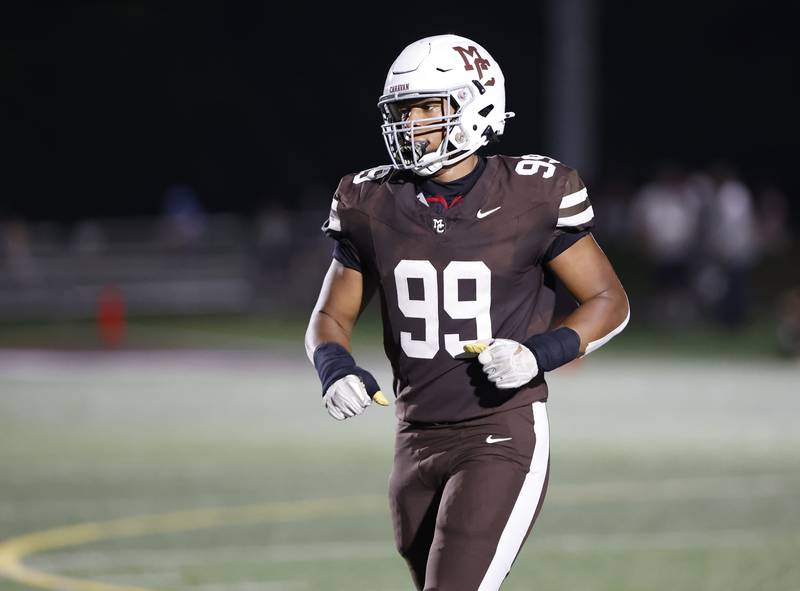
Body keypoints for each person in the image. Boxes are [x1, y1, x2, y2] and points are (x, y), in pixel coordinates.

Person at [305, 34, 630, 591]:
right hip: (414, 436)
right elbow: (329, 319)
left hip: (500, 430)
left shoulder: (533, 194)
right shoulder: (369, 202)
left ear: (476, 105)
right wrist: (335, 369)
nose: (413, 125)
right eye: (404, 111)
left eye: (428, 108)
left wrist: (537, 354)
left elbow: (610, 302)